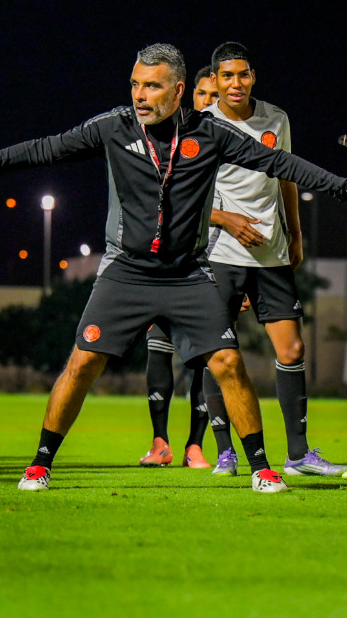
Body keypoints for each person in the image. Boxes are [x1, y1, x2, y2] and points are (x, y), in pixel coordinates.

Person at [0, 43, 347, 493]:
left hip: (188, 275)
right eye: (135, 85)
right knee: (82, 362)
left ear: (178, 90)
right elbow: (46, 148)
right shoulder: (114, 126)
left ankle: (262, 469)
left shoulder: (210, 134)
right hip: (126, 271)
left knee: (228, 363)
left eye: (152, 86)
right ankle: (40, 462)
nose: (140, 96)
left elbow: (278, 162)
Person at [196, 41, 347, 477]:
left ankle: (298, 455)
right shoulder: (202, 125)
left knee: (293, 348)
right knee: (219, 350)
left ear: (253, 77)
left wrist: (295, 235)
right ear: (215, 80)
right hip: (221, 252)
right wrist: (225, 218)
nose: (236, 83)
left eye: (243, 74)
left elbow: (286, 177)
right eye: (227, 76)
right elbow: (188, 193)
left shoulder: (276, 118)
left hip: (271, 252)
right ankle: (225, 451)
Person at [137, 66, 226, 470]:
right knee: (158, 349)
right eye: (203, 94)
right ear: (190, 95)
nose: (209, 102)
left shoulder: (226, 143)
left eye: (215, 95)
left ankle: (195, 445)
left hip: (216, 266)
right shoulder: (177, 141)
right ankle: (160, 442)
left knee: (205, 361)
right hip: (170, 265)